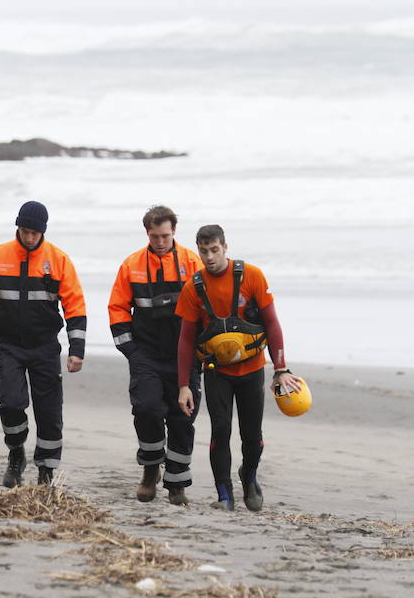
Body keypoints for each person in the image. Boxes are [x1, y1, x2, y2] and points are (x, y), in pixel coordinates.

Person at [175, 224, 302, 511]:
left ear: (225, 247)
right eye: (203, 251)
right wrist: (184, 384)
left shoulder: (252, 276)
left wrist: (281, 369)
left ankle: (249, 475)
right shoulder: (193, 287)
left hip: (252, 370)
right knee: (220, 430)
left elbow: (272, 323)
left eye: (214, 250)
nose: (209, 257)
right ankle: (224, 495)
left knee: (252, 436)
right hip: (217, 371)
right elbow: (185, 340)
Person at [0, 201, 87, 487]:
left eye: (34, 233)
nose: (28, 237)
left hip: (45, 346)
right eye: (24, 231)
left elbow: (75, 306)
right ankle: (16, 453)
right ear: (18, 227)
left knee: (49, 411)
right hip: (9, 346)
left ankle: (46, 471)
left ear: (43, 232)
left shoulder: (59, 260)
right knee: (11, 404)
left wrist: (77, 350)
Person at [107, 205, 203, 505]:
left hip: (184, 356)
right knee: (146, 409)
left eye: (165, 235)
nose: (160, 241)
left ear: (174, 231)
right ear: (146, 233)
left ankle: (176, 483)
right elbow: (117, 309)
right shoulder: (131, 265)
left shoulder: (192, 262)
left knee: (182, 418)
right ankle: (150, 469)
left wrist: (204, 351)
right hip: (145, 353)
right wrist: (131, 352)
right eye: (154, 236)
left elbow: (208, 308)